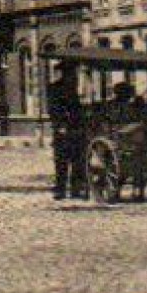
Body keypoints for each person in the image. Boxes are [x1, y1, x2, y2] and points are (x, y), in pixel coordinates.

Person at [46, 62, 87, 200]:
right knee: (61, 162)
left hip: (76, 128)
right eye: (70, 73)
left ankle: (76, 189)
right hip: (62, 130)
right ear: (64, 73)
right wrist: (60, 125)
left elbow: (77, 109)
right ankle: (60, 189)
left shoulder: (73, 88)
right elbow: (52, 109)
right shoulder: (54, 88)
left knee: (78, 160)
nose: (73, 76)